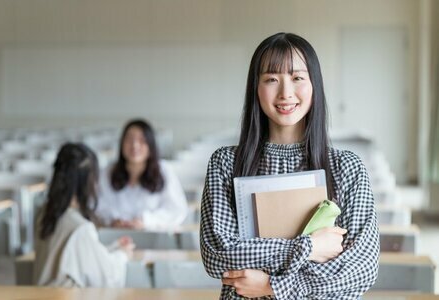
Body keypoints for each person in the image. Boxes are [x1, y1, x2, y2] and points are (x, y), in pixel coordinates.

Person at [200, 32, 379, 299]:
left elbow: (360, 269)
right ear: (256, 88)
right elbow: (218, 256)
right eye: (271, 79)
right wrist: (310, 247)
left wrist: (272, 286)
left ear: (313, 85)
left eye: (297, 78)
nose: (286, 93)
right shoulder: (226, 163)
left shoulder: (347, 167)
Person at [34, 143, 135, 287]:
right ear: (89, 181)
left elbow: (74, 258)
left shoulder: (45, 214)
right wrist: (123, 255)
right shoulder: (80, 227)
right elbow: (106, 276)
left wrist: (114, 247)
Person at [96, 119, 188, 230]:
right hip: (115, 237)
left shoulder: (163, 170)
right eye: (129, 140)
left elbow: (176, 210)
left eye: (142, 140)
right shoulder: (107, 172)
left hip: (152, 239)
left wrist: (146, 221)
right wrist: (112, 220)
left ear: (150, 145)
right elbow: (97, 205)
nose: (135, 145)